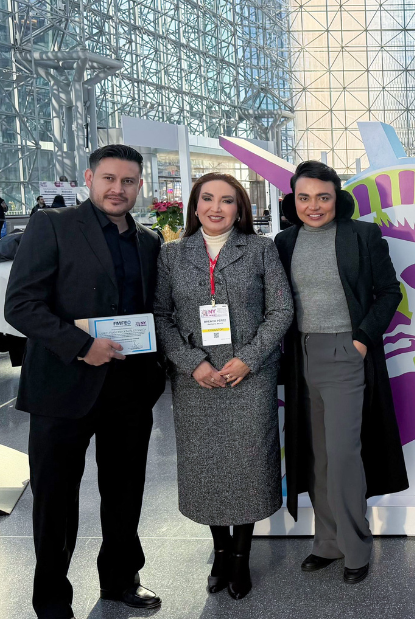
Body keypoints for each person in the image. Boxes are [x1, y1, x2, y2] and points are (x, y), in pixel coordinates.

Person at [5, 144, 165, 619]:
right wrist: (80, 346)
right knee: (55, 500)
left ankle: (120, 578)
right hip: (62, 387)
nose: (118, 189)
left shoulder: (149, 241)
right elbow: (21, 305)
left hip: (129, 390)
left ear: (140, 186)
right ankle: (52, 599)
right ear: (90, 179)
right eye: (109, 178)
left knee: (125, 492)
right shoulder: (52, 225)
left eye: (128, 181)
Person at [153, 172, 292, 599]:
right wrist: (191, 363)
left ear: (240, 208)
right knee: (207, 465)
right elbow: (160, 315)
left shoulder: (261, 249)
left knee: (248, 464)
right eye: (207, 199)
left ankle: (241, 556)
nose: (216, 208)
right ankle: (220, 550)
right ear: (194, 207)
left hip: (250, 377)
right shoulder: (171, 254)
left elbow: (282, 310)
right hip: (196, 381)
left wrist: (249, 359)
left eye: (227, 200)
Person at [274, 161, 408, 585]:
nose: (313, 206)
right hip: (301, 356)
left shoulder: (362, 236)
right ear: (293, 200)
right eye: (304, 197)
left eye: (323, 197)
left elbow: (389, 292)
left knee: (344, 454)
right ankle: (327, 543)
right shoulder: (284, 241)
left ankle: (356, 546)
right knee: (316, 454)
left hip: (345, 352)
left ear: (338, 199)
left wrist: (362, 339)